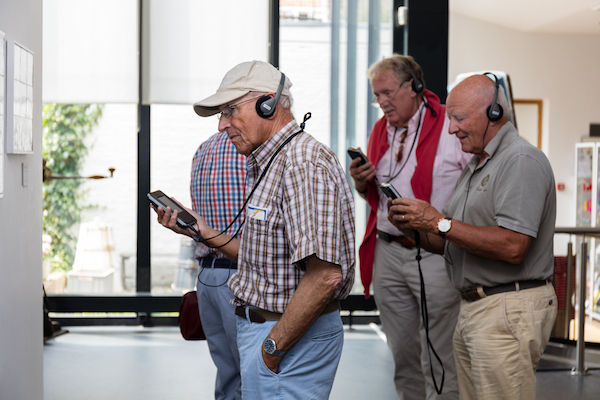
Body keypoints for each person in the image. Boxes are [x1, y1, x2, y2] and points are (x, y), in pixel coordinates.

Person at [155, 60, 356, 399]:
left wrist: (272, 349)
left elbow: (325, 276)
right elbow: (259, 255)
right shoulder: (271, 161)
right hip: (268, 332)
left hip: (284, 339)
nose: (222, 125)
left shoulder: (301, 163)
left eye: (230, 110)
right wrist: (199, 229)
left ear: (269, 103)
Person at [388, 74, 557, 400]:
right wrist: (413, 227)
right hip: (476, 307)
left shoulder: (520, 160)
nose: (451, 129)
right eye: (450, 117)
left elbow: (513, 246)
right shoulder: (479, 163)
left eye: (459, 118)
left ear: (494, 114)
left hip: (507, 307)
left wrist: (438, 222)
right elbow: (448, 240)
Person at [349, 54, 469, 399]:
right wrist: (361, 181)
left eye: (387, 93)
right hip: (388, 250)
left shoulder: (450, 124)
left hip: (435, 253)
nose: (382, 102)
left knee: (440, 354)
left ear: (414, 87)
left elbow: (478, 182)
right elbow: (374, 195)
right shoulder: (379, 130)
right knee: (403, 355)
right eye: (376, 96)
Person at [190, 130, 246, 400]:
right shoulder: (251, 151)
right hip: (240, 276)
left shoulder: (203, 149)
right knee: (253, 370)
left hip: (208, 277)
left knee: (227, 371)